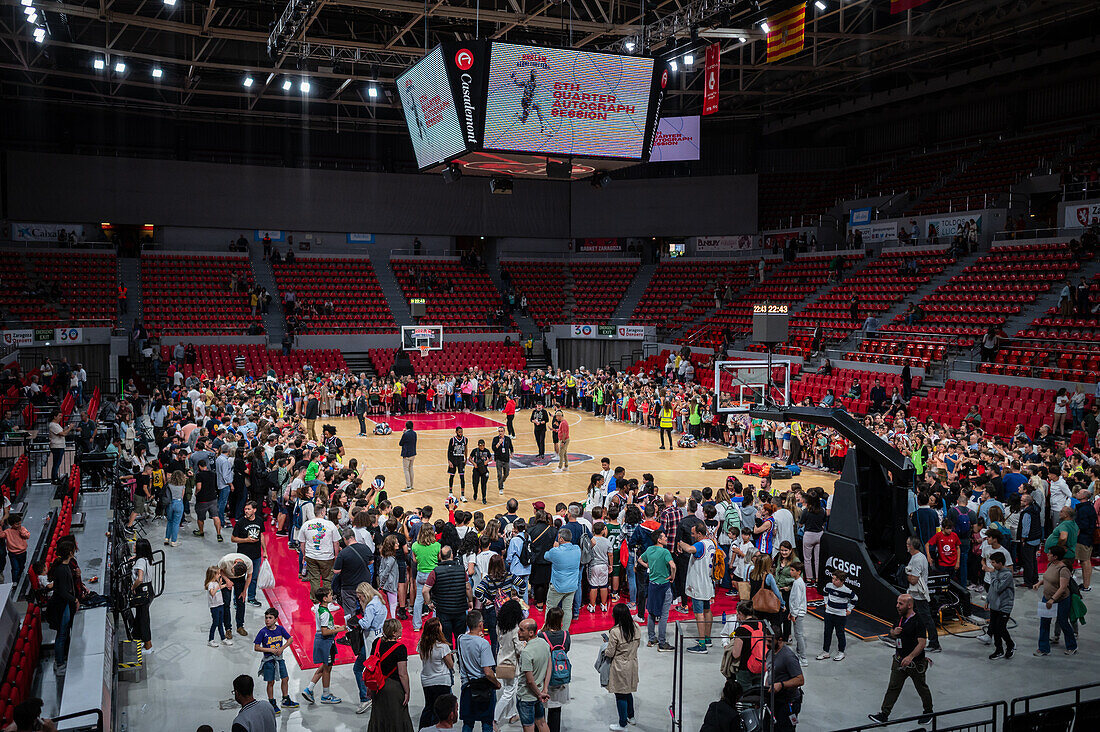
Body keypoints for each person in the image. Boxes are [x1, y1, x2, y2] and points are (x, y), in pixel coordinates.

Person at [868, 594, 933, 725]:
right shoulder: (900, 618)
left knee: (921, 687)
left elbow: (922, 643)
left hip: (915, 663)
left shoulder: (918, 621)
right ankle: (884, 714)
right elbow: (891, 632)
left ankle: (929, 712)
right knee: (893, 687)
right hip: (899, 660)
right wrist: (893, 632)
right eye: (897, 603)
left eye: (900, 604)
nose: (897, 606)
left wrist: (910, 657)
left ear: (909, 605)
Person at [457, 609, 501, 732]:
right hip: (484, 688)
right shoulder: (484, 644)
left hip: (467, 686)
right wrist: (497, 683)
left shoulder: (460, 639)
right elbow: (487, 672)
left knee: (468, 723)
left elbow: (468, 638)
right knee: (487, 723)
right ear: (481, 624)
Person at [366, 618, 414, 732]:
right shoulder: (400, 648)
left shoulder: (376, 643)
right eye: (399, 628)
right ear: (394, 632)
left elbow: (372, 666)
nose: (402, 629)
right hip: (393, 688)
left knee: (379, 716)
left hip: (377, 685)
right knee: (397, 717)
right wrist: (407, 691)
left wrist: (369, 687)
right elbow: (402, 674)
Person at [301, 586, 345, 705]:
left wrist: (334, 626)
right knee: (327, 669)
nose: (332, 596)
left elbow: (323, 627)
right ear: (325, 598)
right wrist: (339, 629)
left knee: (325, 666)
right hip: (326, 641)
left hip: (324, 641)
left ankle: (309, 689)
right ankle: (325, 695)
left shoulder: (320, 609)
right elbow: (325, 631)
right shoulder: (325, 613)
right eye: (330, 595)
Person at [424, 545, 474, 648]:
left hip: (443, 611)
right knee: (460, 637)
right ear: (452, 555)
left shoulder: (435, 572)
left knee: (446, 639)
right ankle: (461, 660)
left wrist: (429, 603)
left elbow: (425, 590)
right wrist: (470, 600)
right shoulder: (461, 570)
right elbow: (468, 587)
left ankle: (449, 660)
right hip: (460, 609)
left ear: (440, 556)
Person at [251, 608, 298, 714]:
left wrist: (282, 648)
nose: (267, 620)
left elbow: (290, 639)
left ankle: (286, 699)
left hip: (279, 659)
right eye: (266, 618)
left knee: (285, 678)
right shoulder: (263, 632)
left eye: (270, 618)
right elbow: (257, 647)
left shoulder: (280, 629)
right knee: (270, 682)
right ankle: (271, 702)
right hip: (268, 661)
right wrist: (271, 650)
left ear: (276, 619)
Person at [678, 522, 716, 654]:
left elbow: (689, 550)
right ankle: (707, 638)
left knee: (699, 613)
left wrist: (681, 543)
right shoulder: (711, 543)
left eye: (693, 533)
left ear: (699, 534)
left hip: (699, 584)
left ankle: (701, 645)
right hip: (708, 582)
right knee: (707, 610)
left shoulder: (700, 545)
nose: (692, 535)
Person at [1034, 545, 1077, 655]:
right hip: (1047, 598)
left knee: (1063, 622)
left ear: (1056, 556)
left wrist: (1053, 599)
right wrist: (1039, 583)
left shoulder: (1063, 570)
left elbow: (1063, 588)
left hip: (1060, 600)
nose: (1047, 555)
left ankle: (1072, 646)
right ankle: (1043, 648)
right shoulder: (1050, 564)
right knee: (1044, 622)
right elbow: (1047, 578)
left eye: (1050, 553)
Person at [604, 603, 640, 732]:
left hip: (620, 666)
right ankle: (631, 716)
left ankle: (622, 724)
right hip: (633, 663)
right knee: (628, 690)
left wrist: (606, 645)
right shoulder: (636, 627)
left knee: (620, 694)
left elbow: (610, 653)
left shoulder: (615, 631)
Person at [637, 529, 675, 651]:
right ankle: (662, 642)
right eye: (664, 537)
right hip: (664, 586)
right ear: (659, 539)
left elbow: (639, 560)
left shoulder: (649, 550)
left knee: (652, 613)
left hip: (652, 586)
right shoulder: (665, 552)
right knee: (664, 615)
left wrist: (648, 566)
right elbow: (673, 566)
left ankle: (651, 638)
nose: (666, 538)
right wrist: (672, 576)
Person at [354, 582, 389, 714]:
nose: (359, 599)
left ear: (364, 594)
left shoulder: (370, 606)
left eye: (360, 597)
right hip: (380, 635)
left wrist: (358, 621)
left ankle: (365, 698)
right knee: (379, 667)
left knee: (360, 668)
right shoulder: (379, 600)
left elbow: (366, 624)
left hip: (370, 638)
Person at [417, 618, 456, 729]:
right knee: (441, 710)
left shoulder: (422, 645)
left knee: (429, 706)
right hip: (441, 681)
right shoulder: (443, 647)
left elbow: (422, 658)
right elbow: (450, 665)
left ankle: (423, 729)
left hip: (427, 680)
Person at [904, 536, 940, 652]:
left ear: (911, 546)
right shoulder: (916, 557)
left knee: (926, 619)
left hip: (919, 595)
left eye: (907, 544)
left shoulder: (918, 559)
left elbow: (914, 580)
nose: (906, 546)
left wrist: (906, 574)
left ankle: (935, 644)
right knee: (908, 615)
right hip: (914, 594)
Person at [494, 599, 526, 727]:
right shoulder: (515, 629)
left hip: (501, 661)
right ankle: (494, 719)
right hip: (511, 664)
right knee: (509, 692)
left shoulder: (499, 626)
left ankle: (512, 715)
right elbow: (519, 649)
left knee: (509, 689)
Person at [297, 507, 341, 595]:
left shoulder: (306, 524)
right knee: (327, 580)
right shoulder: (330, 524)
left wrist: (305, 555)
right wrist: (336, 555)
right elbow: (336, 543)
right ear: (322, 512)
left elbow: (302, 543)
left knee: (314, 580)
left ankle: (316, 602)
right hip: (327, 557)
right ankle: (327, 602)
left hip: (311, 556)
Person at [544, 528, 581, 631]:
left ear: (560, 538)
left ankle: (547, 630)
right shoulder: (577, 549)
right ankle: (565, 632)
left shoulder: (555, 551)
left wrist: (554, 548)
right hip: (572, 585)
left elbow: (546, 556)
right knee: (568, 609)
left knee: (550, 608)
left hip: (557, 585)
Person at [767, 631, 804, 732]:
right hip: (774, 700)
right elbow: (770, 672)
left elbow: (800, 680)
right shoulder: (770, 651)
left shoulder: (788, 657)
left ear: (779, 640)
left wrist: (782, 685)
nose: (767, 644)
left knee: (785, 729)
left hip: (788, 702)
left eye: (770, 641)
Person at [232, 501, 267, 606]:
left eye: (248, 509)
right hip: (242, 556)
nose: (246, 511)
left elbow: (261, 535)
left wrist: (264, 550)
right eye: (245, 509)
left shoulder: (260, 520)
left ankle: (251, 597)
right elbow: (233, 539)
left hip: (256, 555)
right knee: (240, 578)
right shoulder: (240, 522)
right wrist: (246, 540)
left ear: (254, 510)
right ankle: (237, 599)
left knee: (253, 578)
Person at [816, 569, 855, 662]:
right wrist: (826, 602)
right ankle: (825, 651)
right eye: (832, 579)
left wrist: (849, 609)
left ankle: (841, 652)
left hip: (840, 616)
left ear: (842, 581)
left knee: (840, 633)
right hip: (829, 613)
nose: (833, 581)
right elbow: (825, 592)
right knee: (827, 633)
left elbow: (855, 599)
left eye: (836, 580)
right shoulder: (829, 586)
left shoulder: (847, 591)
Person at [411, 523, 442, 631]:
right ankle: (434, 624)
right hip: (433, 575)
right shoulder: (437, 545)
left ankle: (416, 625)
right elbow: (439, 558)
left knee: (418, 599)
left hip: (421, 574)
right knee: (435, 599)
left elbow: (415, 560)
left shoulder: (415, 545)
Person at [986, 550, 1015, 660]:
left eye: (993, 562)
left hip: (1004, 606)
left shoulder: (1007, 575)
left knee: (1001, 628)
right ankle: (999, 650)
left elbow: (998, 588)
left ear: (1000, 563)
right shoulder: (996, 572)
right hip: (994, 605)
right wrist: (987, 600)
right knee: (994, 628)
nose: (991, 565)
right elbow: (992, 589)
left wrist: (992, 574)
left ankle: (1010, 645)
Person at [130, 538, 155, 654]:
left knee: (144, 618)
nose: (133, 547)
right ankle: (138, 638)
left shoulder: (140, 562)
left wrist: (133, 587)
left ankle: (148, 646)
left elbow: (140, 579)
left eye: (135, 546)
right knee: (140, 616)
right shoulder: (147, 558)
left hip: (142, 590)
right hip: (149, 589)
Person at [205, 565, 232, 647]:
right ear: (213, 575)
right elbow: (212, 593)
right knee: (215, 623)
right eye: (218, 574)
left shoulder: (216, 583)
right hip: (214, 607)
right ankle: (211, 640)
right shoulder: (210, 584)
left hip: (220, 605)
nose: (220, 575)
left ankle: (223, 638)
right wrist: (218, 585)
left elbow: (219, 588)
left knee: (220, 623)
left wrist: (226, 585)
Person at [47, 411, 73, 483]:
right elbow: (63, 433)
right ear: (54, 417)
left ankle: (55, 477)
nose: (61, 418)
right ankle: (54, 478)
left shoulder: (57, 424)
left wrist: (68, 427)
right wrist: (70, 428)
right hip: (56, 446)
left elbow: (62, 430)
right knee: (56, 463)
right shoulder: (52, 425)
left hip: (60, 446)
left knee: (57, 463)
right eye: (59, 416)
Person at [447, 426, 469, 501]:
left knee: (462, 477)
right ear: (456, 432)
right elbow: (449, 451)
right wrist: (449, 461)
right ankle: (450, 492)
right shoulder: (452, 440)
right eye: (459, 432)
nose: (461, 433)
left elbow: (466, 448)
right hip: (453, 460)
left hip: (461, 460)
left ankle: (462, 495)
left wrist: (466, 458)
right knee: (452, 476)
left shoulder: (465, 439)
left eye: (462, 432)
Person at [492, 426, 515, 495]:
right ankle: (500, 488)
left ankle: (502, 481)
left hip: (506, 459)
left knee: (506, 473)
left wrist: (512, 453)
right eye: (499, 431)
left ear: (504, 432)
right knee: (499, 474)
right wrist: (499, 443)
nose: (500, 433)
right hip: (499, 459)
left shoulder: (508, 439)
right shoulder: (495, 439)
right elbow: (493, 448)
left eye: (501, 431)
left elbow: (511, 447)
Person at [400, 420, 416, 493]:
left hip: (406, 454)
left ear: (406, 427)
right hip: (413, 453)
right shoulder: (414, 433)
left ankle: (408, 485)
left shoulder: (406, 434)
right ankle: (411, 485)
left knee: (406, 469)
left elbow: (400, 443)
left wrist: (404, 433)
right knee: (411, 469)